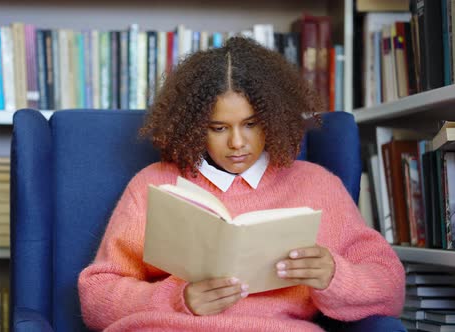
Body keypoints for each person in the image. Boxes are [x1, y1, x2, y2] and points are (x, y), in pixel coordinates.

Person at [78, 36, 405, 331]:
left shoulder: (317, 186)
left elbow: (390, 287)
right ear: (192, 126)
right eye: (218, 128)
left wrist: (335, 277)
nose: (237, 142)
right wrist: (179, 298)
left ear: (274, 118)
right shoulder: (153, 185)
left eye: (251, 124)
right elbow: (96, 297)